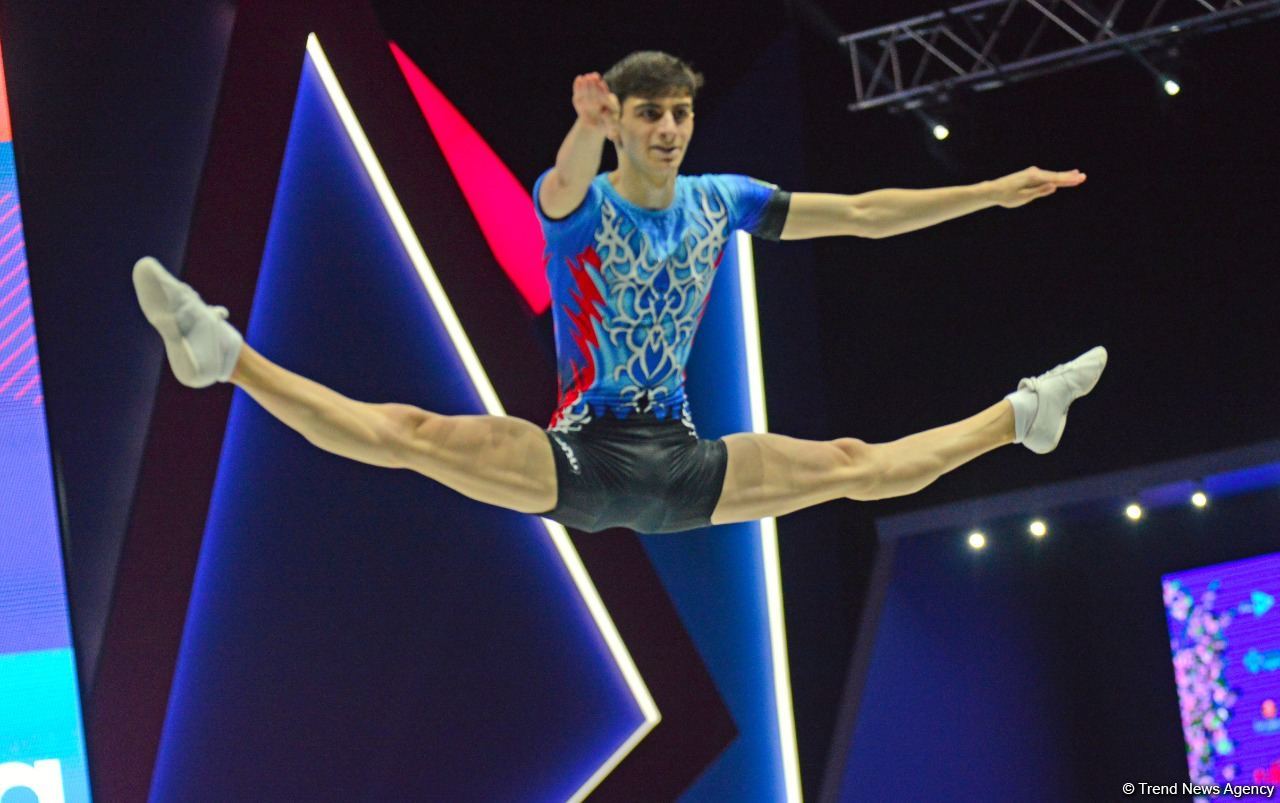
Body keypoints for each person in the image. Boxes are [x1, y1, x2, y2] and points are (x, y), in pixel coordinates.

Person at [132, 50, 1106, 535]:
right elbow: (556, 181)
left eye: (680, 114)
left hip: (681, 462)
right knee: (414, 437)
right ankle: (227, 355)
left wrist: (986, 192)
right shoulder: (582, 204)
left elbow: (856, 214)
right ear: (624, 121)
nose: (672, 129)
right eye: (653, 115)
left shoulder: (722, 200)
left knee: (857, 461)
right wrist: (587, 128)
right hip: (579, 459)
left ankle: (1021, 415)